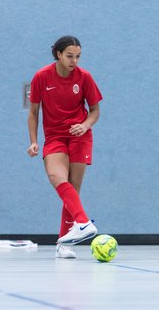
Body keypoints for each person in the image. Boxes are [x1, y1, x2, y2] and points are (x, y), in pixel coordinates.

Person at [27, 36, 103, 258]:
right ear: (58, 54)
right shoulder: (41, 77)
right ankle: (83, 222)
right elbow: (33, 113)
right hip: (55, 137)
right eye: (70, 56)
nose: (74, 61)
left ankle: (63, 244)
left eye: (78, 56)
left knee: (73, 188)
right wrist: (33, 141)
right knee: (56, 177)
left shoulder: (85, 77)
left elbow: (95, 111)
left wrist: (85, 125)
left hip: (80, 136)